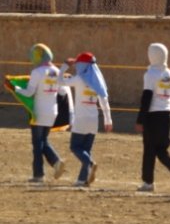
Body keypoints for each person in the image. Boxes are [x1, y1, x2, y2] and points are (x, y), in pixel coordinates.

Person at [135, 42, 170, 193]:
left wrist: (140, 120)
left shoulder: (150, 74)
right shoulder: (169, 74)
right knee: (161, 149)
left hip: (153, 116)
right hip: (167, 114)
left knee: (149, 150)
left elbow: (146, 97)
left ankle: (148, 182)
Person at [58, 51, 112, 187]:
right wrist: (108, 120)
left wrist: (65, 66)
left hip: (81, 119)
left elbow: (59, 81)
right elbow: (104, 101)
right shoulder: (98, 81)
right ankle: (82, 180)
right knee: (86, 150)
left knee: (75, 147)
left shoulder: (79, 79)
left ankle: (90, 163)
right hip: (94, 121)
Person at [20, 43, 66, 183]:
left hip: (39, 112)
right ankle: (56, 162)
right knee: (43, 140)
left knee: (37, 144)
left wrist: (15, 89)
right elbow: (63, 92)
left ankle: (38, 174)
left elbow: (29, 93)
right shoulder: (57, 71)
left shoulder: (37, 72)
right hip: (52, 111)